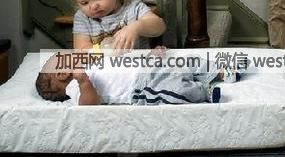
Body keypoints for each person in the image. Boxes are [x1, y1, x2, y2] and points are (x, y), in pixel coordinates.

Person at [35, 50, 239, 105]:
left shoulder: (91, 63)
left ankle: (221, 71)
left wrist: (150, 57)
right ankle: (204, 92)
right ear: (61, 74)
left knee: (188, 61)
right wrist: (83, 82)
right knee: (174, 91)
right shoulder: (75, 88)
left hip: (145, 67)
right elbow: (90, 104)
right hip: (141, 88)